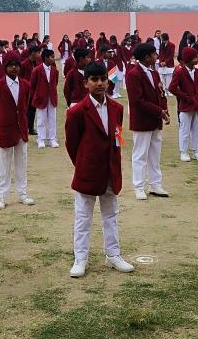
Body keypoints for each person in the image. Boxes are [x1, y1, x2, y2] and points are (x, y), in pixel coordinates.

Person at [64, 61, 135, 278]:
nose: (100, 83)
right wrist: (84, 164)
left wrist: (114, 165)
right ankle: (81, 258)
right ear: (86, 83)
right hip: (88, 171)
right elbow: (72, 144)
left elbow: (117, 138)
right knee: (83, 217)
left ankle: (113, 254)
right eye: (94, 80)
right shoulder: (77, 112)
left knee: (111, 215)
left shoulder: (117, 108)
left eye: (103, 79)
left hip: (110, 171)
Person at [125, 43, 170, 200]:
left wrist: (165, 110)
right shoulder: (133, 74)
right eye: (154, 54)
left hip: (155, 119)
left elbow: (160, 93)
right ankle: (138, 186)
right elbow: (137, 100)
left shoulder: (154, 73)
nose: (156, 56)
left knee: (155, 153)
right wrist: (159, 111)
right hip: (142, 120)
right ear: (146, 57)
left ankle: (155, 183)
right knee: (140, 154)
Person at [0, 55, 34, 210]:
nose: (14, 68)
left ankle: (22, 193)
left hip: (21, 129)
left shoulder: (26, 85)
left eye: (16, 65)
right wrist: (2, 122)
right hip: (4, 130)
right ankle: (1, 196)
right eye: (10, 65)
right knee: (3, 165)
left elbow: (25, 105)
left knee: (22, 163)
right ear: (5, 67)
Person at [169, 47, 198, 162]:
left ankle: (195, 151)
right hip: (185, 106)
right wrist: (185, 97)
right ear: (188, 59)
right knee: (184, 129)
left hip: (196, 105)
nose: (197, 59)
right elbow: (172, 88)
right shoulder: (180, 72)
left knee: (196, 130)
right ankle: (183, 152)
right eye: (195, 58)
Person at [29, 49, 60, 148]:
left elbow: (55, 83)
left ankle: (52, 139)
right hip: (40, 98)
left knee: (52, 119)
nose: (53, 59)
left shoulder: (55, 71)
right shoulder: (37, 70)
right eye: (51, 57)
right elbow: (32, 85)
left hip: (52, 98)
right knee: (41, 119)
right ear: (46, 58)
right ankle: (41, 139)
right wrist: (35, 97)